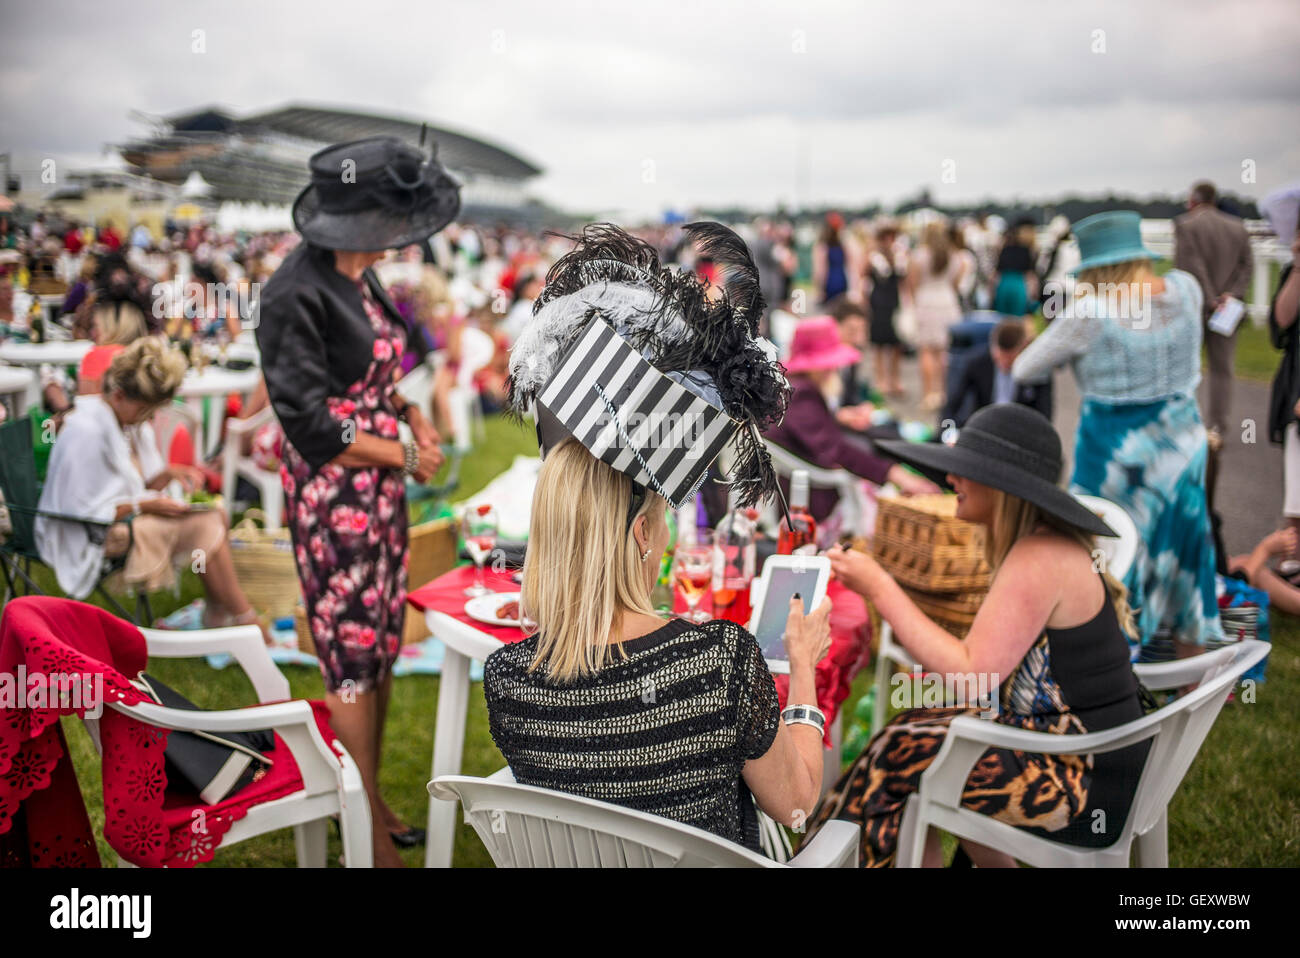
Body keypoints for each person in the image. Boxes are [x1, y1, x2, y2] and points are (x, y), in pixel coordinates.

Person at [488, 222, 834, 854]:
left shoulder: (508, 680)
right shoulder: (718, 663)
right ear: (642, 533)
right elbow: (798, 803)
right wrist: (805, 670)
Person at [805, 404, 1146, 867]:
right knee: (904, 731)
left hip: (1083, 781)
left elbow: (972, 674)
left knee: (893, 762)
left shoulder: (1040, 558)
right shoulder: (1041, 546)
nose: (951, 481)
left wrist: (881, 586)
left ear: (1003, 486)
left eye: (965, 471)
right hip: (1080, 753)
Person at [256, 136, 459, 867]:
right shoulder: (291, 291)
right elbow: (309, 421)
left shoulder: (359, 276)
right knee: (346, 649)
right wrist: (403, 452)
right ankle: (361, 830)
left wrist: (411, 415)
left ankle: (367, 797)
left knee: (375, 646)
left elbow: (373, 378)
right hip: (333, 493)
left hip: (377, 490)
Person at [1012, 210, 1224, 659]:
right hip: (1185, 446)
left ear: (1093, 268)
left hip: (1115, 457)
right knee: (1184, 553)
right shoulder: (1186, 288)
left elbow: (1024, 366)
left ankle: (1111, 663)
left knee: (1105, 557)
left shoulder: (1090, 312)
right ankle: (1188, 679)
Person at [35, 338, 266, 636]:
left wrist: (171, 473)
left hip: (119, 520)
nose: (148, 417)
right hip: (84, 536)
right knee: (205, 523)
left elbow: (137, 485)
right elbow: (81, 511)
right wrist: (145, 505)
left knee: (212, 514)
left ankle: (222, 612)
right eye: (144, 409)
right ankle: (243, 620)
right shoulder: (86, 431)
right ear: (118, 395)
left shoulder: (121, 420)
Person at [765, 315, 939, 528]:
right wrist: (895, 474)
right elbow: (835, 449)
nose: (831, 368)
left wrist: (840, 418)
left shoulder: (797, 387)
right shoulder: (802, 392)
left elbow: (815, 430)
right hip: (806, 494)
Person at [1174, 181, 1254, 437]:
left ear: (1194, 200)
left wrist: (1210, 298)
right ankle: (1217, 426)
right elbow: (1247, 267)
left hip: (1197, 306)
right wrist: (1230, 295)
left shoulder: (1186, 226)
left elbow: (1189, 267)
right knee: (1222, 370)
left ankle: (1185, 424)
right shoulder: (1238, 227)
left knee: (1186, 368)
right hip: (1227, 308)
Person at [1263, 199, 1300, 565]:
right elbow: (1282, 324)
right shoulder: (1293, 270)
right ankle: (1294, 557)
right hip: (1297, 381)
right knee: (1296, 479)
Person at [941, 317, 1051, 428]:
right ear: (992, 347)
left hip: (1020, 430)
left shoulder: (1037, 369)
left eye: (1010, 359)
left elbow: (1045, 415)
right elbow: (953, 403)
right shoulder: (977, 363)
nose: (1004, 363)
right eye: (999, 358)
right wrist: (948, 432)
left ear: (1023, 349)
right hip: (984, 426)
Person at [905, 221, 967, 411]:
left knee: (926, 351)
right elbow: (956, 284)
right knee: (944, 352)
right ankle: (943, 392)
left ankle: (929, 394)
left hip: (926, 301)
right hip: (947, 302)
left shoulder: (919, 256)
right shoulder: (955, 256)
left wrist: (915, 304)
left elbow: (912, 283)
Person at [866, 222, 905, 398]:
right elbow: (864, 277)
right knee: (879, 344)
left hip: (894, 301)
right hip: (878, 302)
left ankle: (895, 379)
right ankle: (881, 380)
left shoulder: (900, 256)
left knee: (896, 343)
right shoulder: (874, 257)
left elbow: (905, 279)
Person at [992, 217, 1038, 316]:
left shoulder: (1005, 249)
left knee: (1001, 318)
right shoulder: (1027, 251)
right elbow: (1031, 273)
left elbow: (996, 272)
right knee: (1016, 318)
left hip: (1003, 284)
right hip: (1018, 285)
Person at [812, 212, 852, 305]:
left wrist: (819, 289)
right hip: (840, 281)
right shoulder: (842, 245)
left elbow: (819, 270)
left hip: (831, 283)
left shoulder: (823, 246)